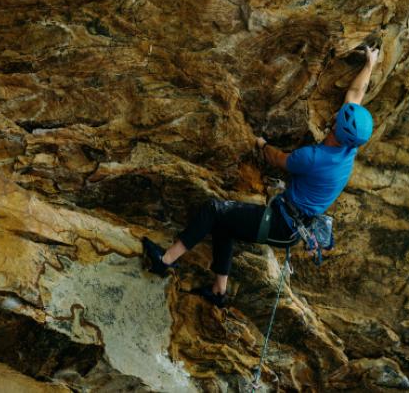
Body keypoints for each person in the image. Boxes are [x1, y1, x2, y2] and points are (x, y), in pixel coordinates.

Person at [142, 46, 380, 307]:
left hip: (281, 224)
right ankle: (219, 291)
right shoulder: (349, 146)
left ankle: (163, 261)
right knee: (224, 224)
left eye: (338, 118)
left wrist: (260, 144)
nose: (336, 115)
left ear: (337, 127)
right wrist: (370, 63)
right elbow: (356, 94)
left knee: (214, 209)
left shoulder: (313, 158)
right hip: (292, 223)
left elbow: (279, 160)